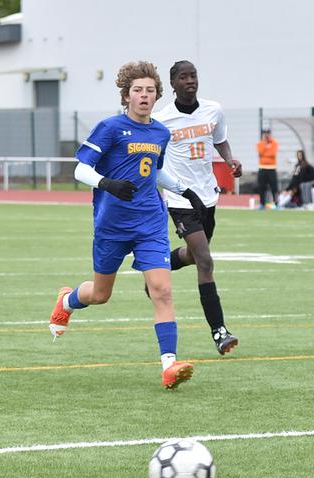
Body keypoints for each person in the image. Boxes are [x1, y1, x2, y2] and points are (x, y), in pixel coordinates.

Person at [49, 60, 203, 389]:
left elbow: (154, 171)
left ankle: (169, 365)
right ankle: (66, 300)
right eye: (138, 90)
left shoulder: (160, 132)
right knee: (101, 294)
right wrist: (107, 183)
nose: (144, 96)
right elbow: (79, 170)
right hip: (112, 225)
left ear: (157, 95)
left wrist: (183, 190)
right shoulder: (110, 128)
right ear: (127, 95)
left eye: (150, 90)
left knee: (162, 290)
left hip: (150, 222)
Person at [151, 60, 241, 355]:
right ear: (173, 83)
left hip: (208, 197)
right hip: (180, 199)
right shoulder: (161, 119)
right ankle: (219, 332)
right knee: (205, 260)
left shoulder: (213, 110)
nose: (190, 81)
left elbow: (220, 140)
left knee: (192, 255)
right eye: (184, 77)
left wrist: (229, 160)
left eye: (194, 76)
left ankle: (157, 270)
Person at [256, 128, 279, 208]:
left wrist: (267, 150)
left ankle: (276, 204)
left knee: (274, 187)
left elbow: (272, 154)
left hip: (272, 168)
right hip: (262, 168)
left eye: (268, 133)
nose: (266, 135)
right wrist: (266, 145)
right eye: (265, 133)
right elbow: (260, 152)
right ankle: (262, 204)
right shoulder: (260, 143)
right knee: (262, 187)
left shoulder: (274, 143)